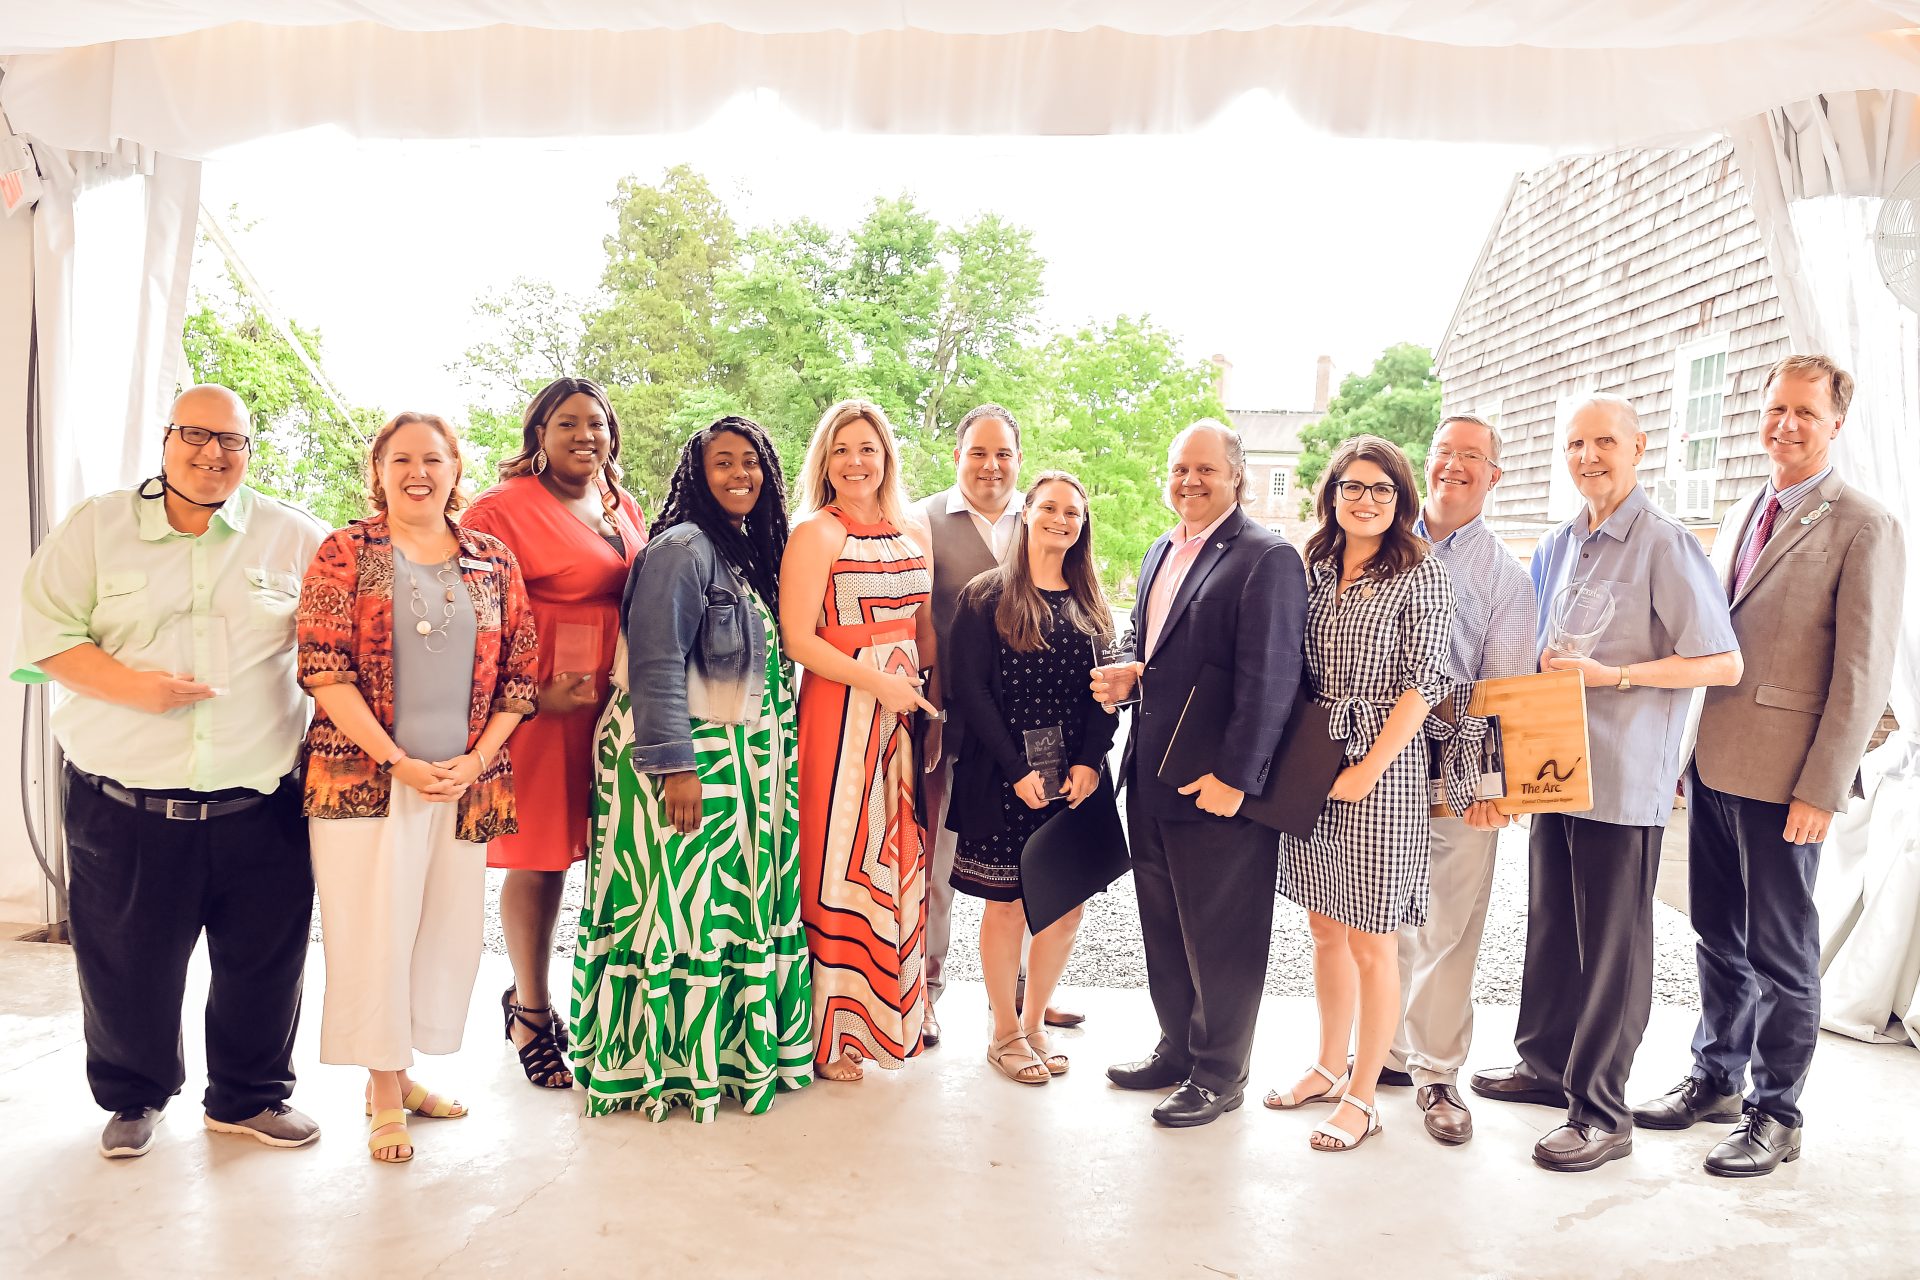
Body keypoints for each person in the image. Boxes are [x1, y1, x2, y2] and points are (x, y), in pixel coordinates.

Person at [13, 384, 326, 1159]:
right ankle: (133, 1096)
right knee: (126, 964)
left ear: (250, 453)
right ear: (166, 439)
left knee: (264, 963)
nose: (213, 453)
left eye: (232, 442)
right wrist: (139, 691)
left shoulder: (294, 536)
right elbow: (44, 635)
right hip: (124, 804)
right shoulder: (96, 528)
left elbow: (342, 648)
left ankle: (250, 1099)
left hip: (260, 803)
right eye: (196, 434)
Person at [1632, 355, 1902, 1176]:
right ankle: (1715, 1077)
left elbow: (1862, 675)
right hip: (1714, 765)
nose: (1786, 425)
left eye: (1805, 414)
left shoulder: (1865, 524)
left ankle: (1776, 1112)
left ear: (1835, 426)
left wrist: (1823, 788)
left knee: (1783, 951)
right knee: (1717, 935)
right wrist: (1684, 755)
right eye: (1776, 409)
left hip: (1790, 782)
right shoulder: (1747, 507)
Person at [1471, 394, 1741, 1173]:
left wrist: (1613, 676)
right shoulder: (1558, 543)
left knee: (1614, 946)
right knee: (1553, 921)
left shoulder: (1666, 545)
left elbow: (1721, 662)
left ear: (1639, 447)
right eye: (1576, 444)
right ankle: (1547, 1065)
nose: (1588, 456)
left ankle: (1601, 1111)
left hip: (1623, 777)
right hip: (1552, 765)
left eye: (1604, 443)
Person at [298, 412, 539, 1163]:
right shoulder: (344, 553)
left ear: (454, 468)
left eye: (432, 458)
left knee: (442, 933)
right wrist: (396, 760)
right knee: (374, 932)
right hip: (365, 782)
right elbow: (324, 670)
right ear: (378, 471)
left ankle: (404, 1073)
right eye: (401, 458)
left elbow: (521, 675)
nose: (418, 472)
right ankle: (380, 1090)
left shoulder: (492, 560)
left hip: (461, 785)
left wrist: (476, 759)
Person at [572, 416, 814, 1120]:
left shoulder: (741, 549)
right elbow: (653, 664)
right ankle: (668, 1070)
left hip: (741, 763)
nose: (740, 476)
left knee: (720, 914)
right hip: (687, 758)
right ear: (697, 476)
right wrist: (676, 767)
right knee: (679, 911)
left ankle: (729, 1061)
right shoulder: (682, 548)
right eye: (722, 464)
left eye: (751, 464)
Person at [1093, 419, 1307, 1128]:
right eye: (1180, 468)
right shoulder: (1161, 550)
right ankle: (1177, 1049)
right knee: (1162, 922)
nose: (1189, 481)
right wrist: (1131, 666)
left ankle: (1221, 1072)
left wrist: (1238, 778)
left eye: (1205, 470)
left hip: (1217, 785)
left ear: (1236, 477)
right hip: (1150, 773)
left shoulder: (1265, 557)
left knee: (1223, 932)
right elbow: (1148, 637)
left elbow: (1272, 679)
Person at [1262, 436, 1456, 1153]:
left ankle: (1366, 1095)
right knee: (1323, 927)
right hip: (1314, 751)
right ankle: (1326, 1063)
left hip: (1384, 764)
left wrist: (1369, 768)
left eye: (1381, 488)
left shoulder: (1422, 574)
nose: (1366, 499)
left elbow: (1425, 683)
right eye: (1353, 486)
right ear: (1332, 493)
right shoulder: (1311, 567)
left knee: (1373, 939)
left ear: (1401, 499)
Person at [462, 377, 646, 1091]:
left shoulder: (620, 504)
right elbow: (468, 617)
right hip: (541, 710)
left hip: (612, 707)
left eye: (596, 424)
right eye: (567, 423)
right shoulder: (500, 509)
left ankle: (572, 999)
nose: (585, 436)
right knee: (538, 860)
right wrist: (531, 694)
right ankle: (531, 1011)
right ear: (538, 435)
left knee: (593, 854)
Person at [908, 404, 1085, 1045]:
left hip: (1024, 737)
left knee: (1026, 866)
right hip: (948, 722)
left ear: (1018, 459)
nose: (991, 465)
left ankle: (1017, 996)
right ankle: (924, 994)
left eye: (1004, 454)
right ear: (958, 455)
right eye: (979, 452)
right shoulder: (923, 521)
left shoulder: (1038, 520)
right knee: (939, 865)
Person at [1384, 416, 1537, 1146]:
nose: (1454, 466)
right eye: (1444, 452)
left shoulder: (1507, 577)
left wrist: (1492, 788)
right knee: (1381, 914)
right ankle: (1382, 1049)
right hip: (1375, 763)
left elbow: (1504, 687)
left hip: (1458, 767)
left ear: (1494, 476)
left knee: (1450, 922)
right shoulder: (1381, 537)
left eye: (1472, 457)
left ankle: (1436, 1071)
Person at [780, 398, 937, 1083]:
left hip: (901, 710)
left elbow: (922, 627)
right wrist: (880, 686)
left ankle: (888, 1019)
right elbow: (798, 639)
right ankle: (830, 1032)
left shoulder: (912, 531)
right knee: (837, 853)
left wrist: (920, 701)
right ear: (825, 461)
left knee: (896, 853)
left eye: (867, 448)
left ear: (886, 457)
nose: (855, 462)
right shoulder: (816, 532)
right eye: (841, 449)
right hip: (840, 709)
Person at [945, 471, 1119, 1085]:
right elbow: (969, 691)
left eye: (1073, 512)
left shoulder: (1093, 605)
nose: (1061, 520)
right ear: (1026, 514)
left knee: (1065, 910)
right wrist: (1017, 770)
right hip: (1005, 778)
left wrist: (1089, 764)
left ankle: (1037, 1022)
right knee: (1010, 908)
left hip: (1073, 783)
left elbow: (1107, 697)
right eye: (1049, 507)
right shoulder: (986, 596)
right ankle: (1003, 1031)